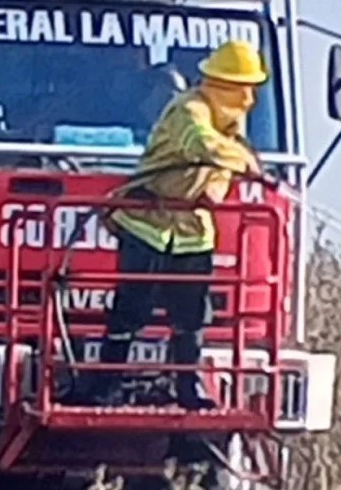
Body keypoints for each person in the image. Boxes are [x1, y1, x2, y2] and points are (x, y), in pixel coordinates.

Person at [86, 39, 267, 409]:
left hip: (192, 232)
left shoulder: (230, 122)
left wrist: (216, 189)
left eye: (252, 89)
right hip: (147, 224)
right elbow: (202, 146)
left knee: (192, 314)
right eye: (241, 88)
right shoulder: (189, 110)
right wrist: (245, 163)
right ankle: (105, 385)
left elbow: (220, 167)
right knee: (130, 310)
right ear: (220, 84)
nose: (248, 99)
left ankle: (189, 388)